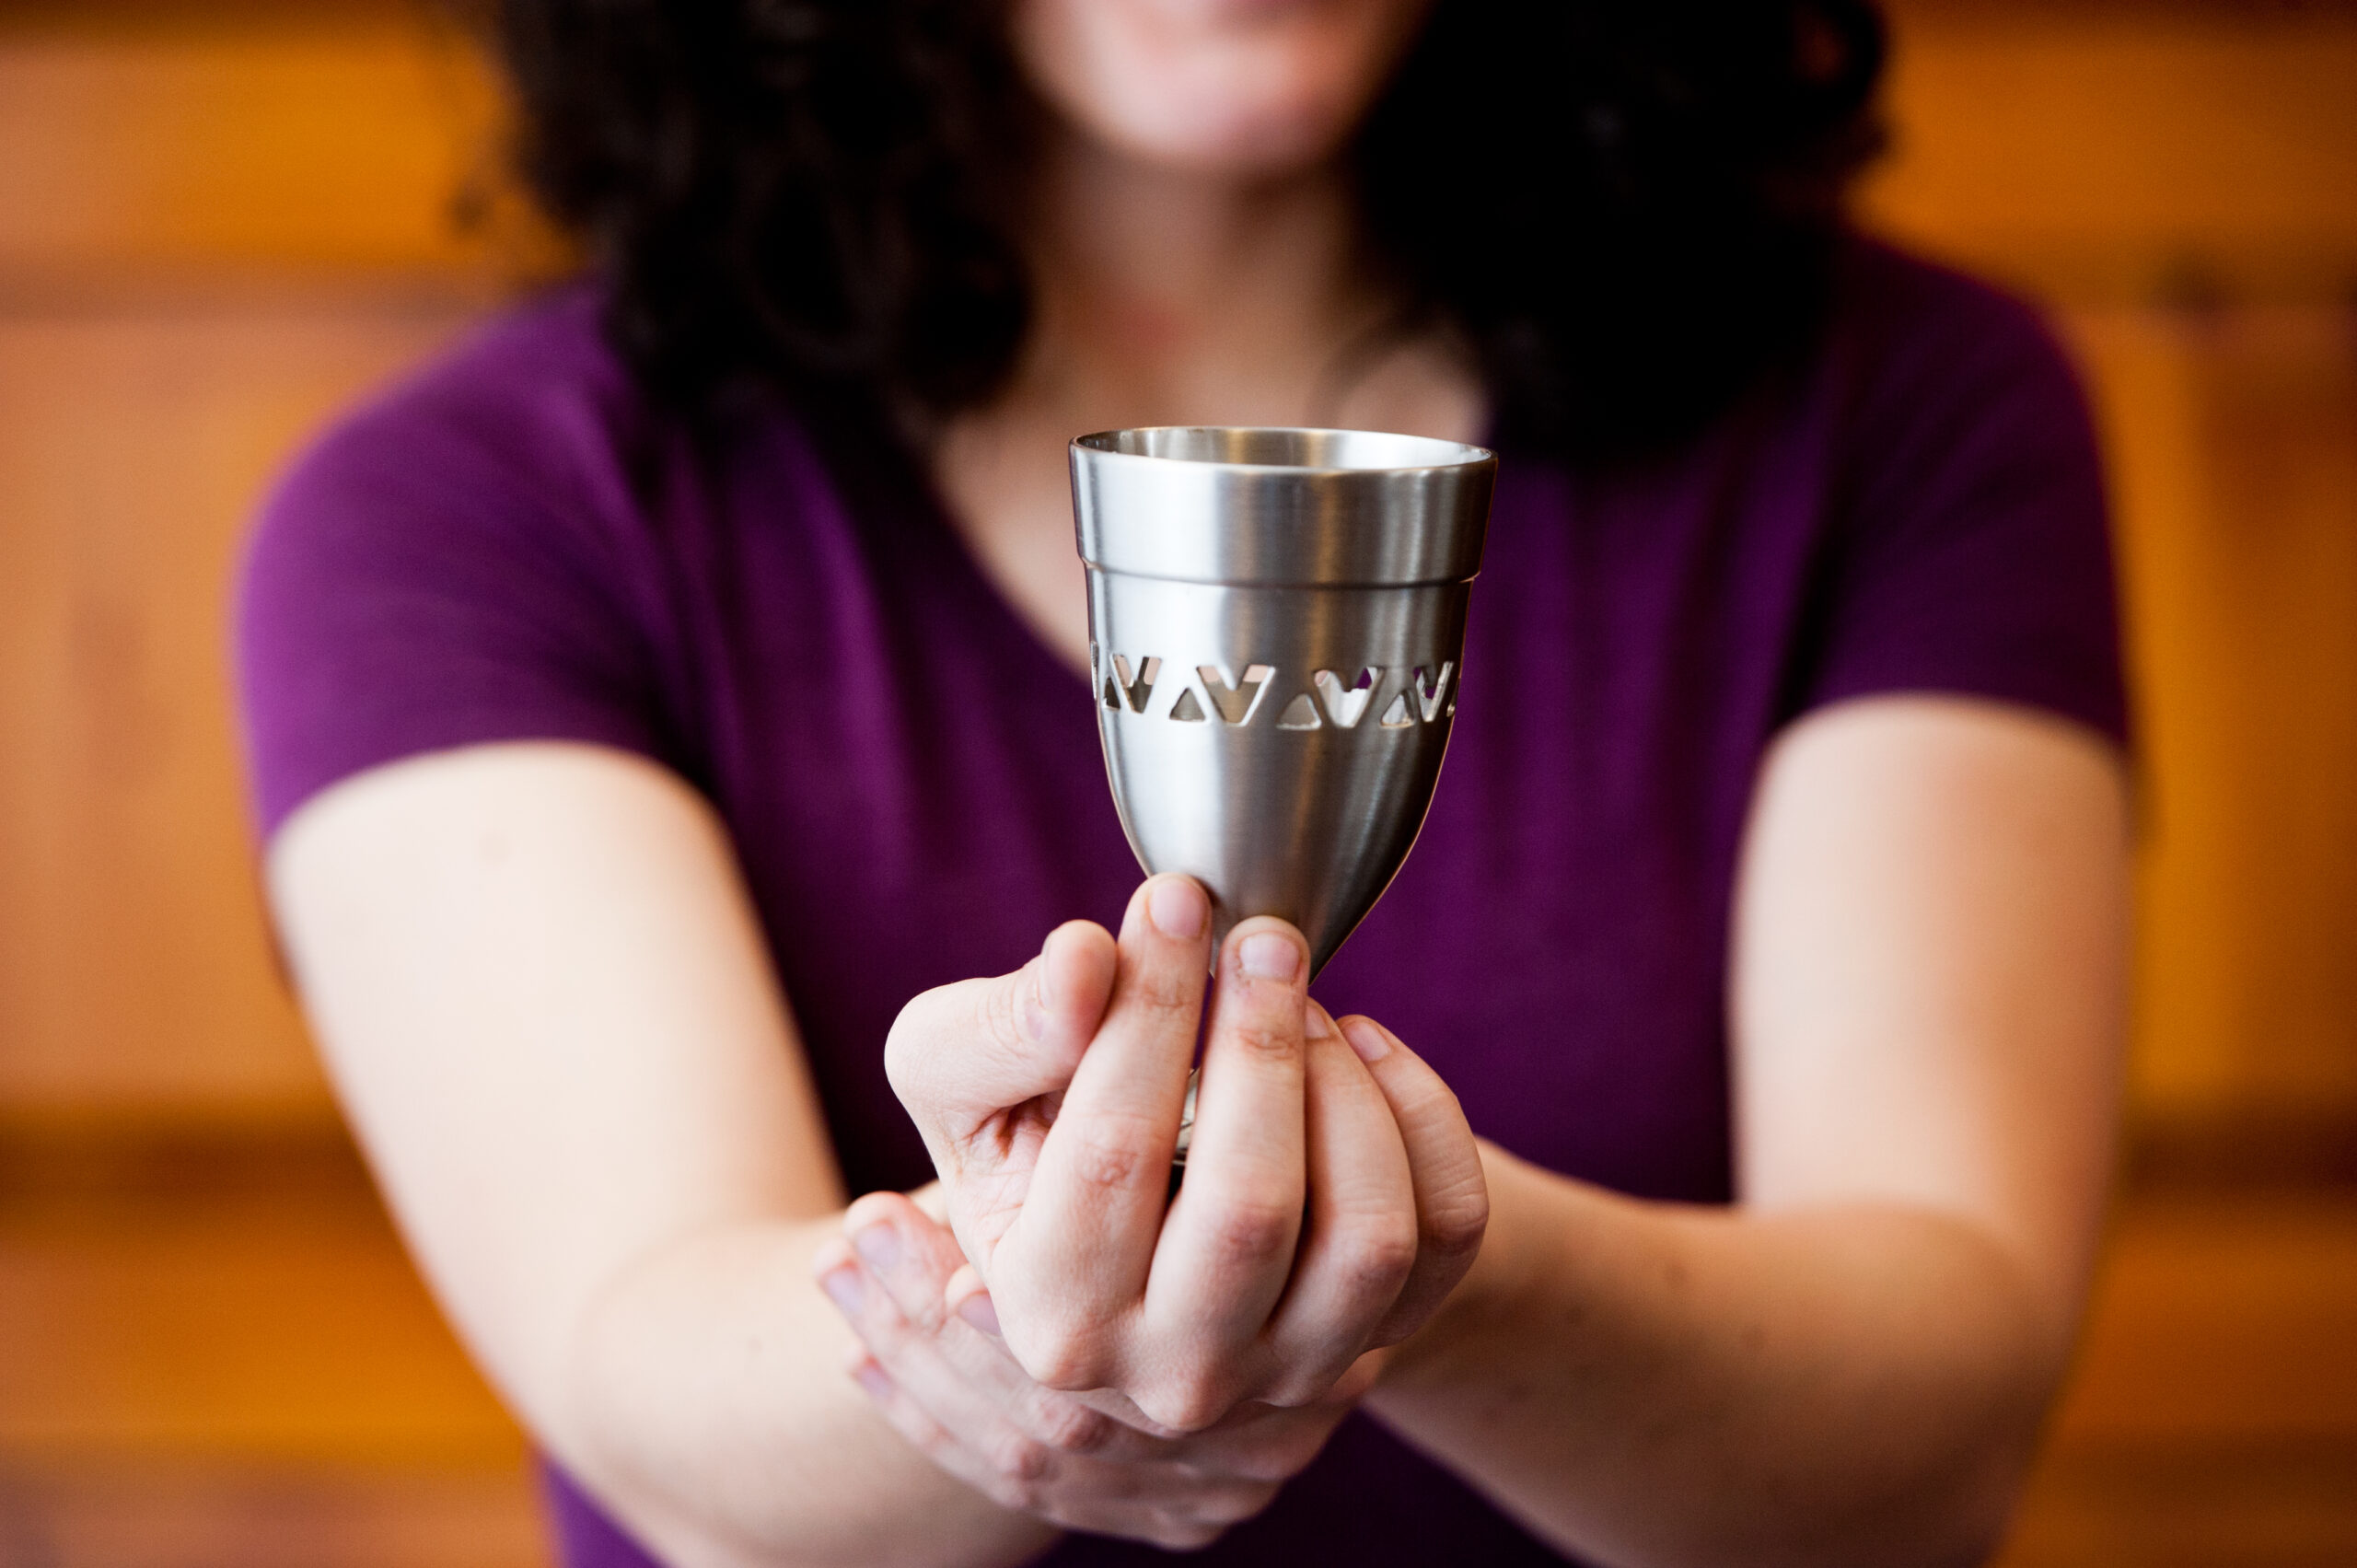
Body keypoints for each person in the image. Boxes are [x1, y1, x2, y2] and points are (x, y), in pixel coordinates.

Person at [236, 1, 2132, 1563]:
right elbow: (645, 1377)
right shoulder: (464, 514)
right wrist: (985, 1346)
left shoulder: (1906, 412)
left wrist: (1409, 1260)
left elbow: (1928, 1447)